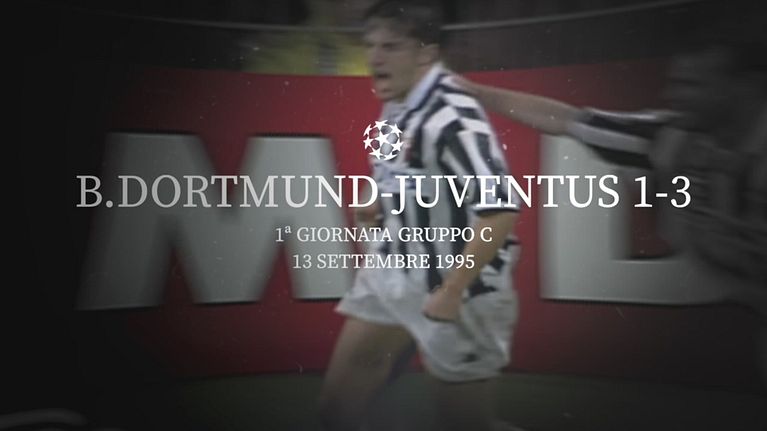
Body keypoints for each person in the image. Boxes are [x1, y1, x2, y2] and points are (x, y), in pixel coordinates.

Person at [317, 1, 525, 430]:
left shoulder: (454, 117)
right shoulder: (398, 100)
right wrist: (376, 199)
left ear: (426, 53)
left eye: (391, 46)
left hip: (460, 291)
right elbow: (392, 168)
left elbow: (501, 209)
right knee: (337, 407)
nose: (375, 57)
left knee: (467, 425)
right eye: (371, 45)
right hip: (392, 271)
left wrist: (452, 289)